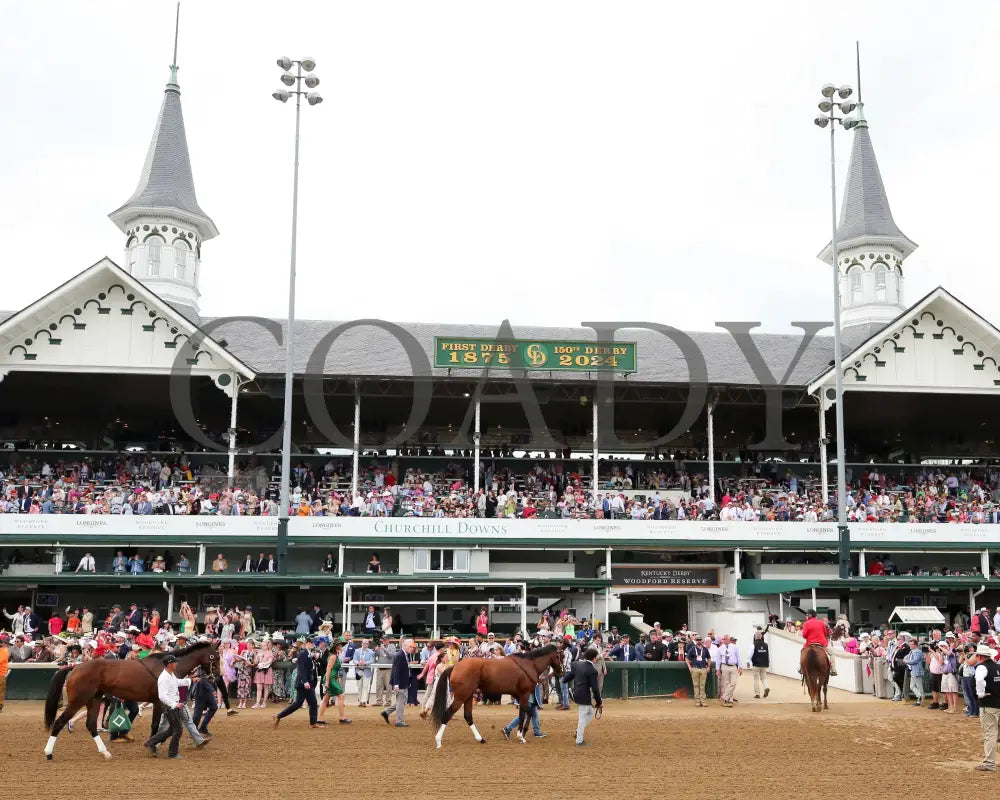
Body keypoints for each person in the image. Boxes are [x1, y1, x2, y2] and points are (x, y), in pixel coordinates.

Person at [144, 654, 190, 759]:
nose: (176, 664)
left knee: (171, 730)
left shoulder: (170, 675)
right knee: (178, 730)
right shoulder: (164, 678)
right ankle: (172, 753)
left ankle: (151, 742)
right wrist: (175, 704)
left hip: (172, 706)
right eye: (175, 662)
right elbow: (162, 696)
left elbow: (177, 682)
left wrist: (189, 681)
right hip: (170, 707)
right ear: (169, 664)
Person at [274, 637, 322, 729]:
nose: (312, 644)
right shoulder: (304, 654)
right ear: (306, 643)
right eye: (311, 643)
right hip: (303, 683)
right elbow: (301, 669)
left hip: (307, 682)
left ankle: (313, 723)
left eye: (313, 643)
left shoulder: (308, 654)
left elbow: (309, 667)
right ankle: (278, 716)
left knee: (312, 703)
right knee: (298, 704)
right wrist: (305, 681)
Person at [562, 646, 602, 746]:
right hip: (584, 695)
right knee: (582, 717)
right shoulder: (592, 670)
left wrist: (563, 680)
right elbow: (595, 689)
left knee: (590, 712)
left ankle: (578, 731)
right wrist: (599, 702)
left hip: (577, 693)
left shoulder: (577, 664)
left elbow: (569, 676)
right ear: (594, 658)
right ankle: (579, 740)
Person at [972, 644, 1000, 771]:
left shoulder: (982, 667)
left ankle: (989, 763)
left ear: (979, 656)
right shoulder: (997, 667)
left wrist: (980, 693)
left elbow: (979, 681)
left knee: (990, 734)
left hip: (988, 704)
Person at [381, 637, 415, 727]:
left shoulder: (403, 654)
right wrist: (396, 684)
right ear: (405, 646)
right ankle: (399, 720)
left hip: (403, 682)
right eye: (411, 646)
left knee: (402, 701)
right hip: (400, 683)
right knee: (401, 702)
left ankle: (386, 712)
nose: (412, 648)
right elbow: (396, 670)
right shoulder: (400, 655)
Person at [317, 639, 351, 724]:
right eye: (339, 645)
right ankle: (342, 717)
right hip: (331, 678)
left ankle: (319, 719)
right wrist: (327, 681)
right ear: (335, 647)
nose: (340, 646)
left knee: (326, 698)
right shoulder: (333, 656)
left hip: (332, 678)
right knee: (341, 695)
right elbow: (328, 669)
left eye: (340, 645)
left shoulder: (335, 655)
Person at [800, 609, 837, 676]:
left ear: (810, 615)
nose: (806, 616)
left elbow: (804, 635)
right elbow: (825, 633)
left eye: (807, 615)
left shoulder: (806, 623)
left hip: (810, 643)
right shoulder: (821, 622)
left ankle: (801, 668)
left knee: (802, 651)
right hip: (822, 643)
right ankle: (833, 669)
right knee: (832, 653)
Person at [685, 635, 713, 707]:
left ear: (702, 641)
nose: (699, 641)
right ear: (696, 641)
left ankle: (703, 701)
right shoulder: (692, 649)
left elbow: (709, 658)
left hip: (703, 669)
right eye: (697, 640)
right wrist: (689, 667)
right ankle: (697, 701)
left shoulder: (705, 649)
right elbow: (687, 658)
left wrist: (708, 667)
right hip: (695, 669)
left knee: (702, 686)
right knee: (696, 685)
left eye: (700, 639)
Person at [748, 628, 770, 698]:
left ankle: (757, 694)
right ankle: (766, 687)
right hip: (765, 664)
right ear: (761, 637)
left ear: (755, 637)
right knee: (764, 678)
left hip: (756, 664)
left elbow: (750, 655)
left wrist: (748, 661)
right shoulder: (766, 645)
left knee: (756, 678)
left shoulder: (753, 644)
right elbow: (767, 654)